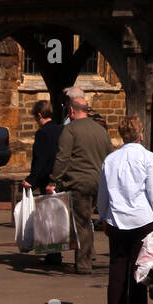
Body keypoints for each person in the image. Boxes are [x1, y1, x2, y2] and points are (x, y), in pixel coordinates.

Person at [97, 115, 153, 304]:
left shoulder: (111, 159)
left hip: (116, 218)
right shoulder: (148, 158)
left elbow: (103, 191)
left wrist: (102, 215)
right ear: (141, 134)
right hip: (142, 218)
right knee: (141, 264)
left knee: (117, 262)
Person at [46, 95, 112, 274]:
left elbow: (62, 157)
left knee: (81, 223)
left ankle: (83, 264)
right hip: (98, 183)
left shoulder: (70, 130)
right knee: (86, 221)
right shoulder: (100, 130)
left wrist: (54, 181)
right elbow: (109, 156)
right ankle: (88, 255)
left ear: (72, 111)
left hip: (78, 182)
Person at [24, 100, 63, 267]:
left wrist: (31, 180)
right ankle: (57, 252)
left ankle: (52, 254)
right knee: (58, 216)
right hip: (59, 177)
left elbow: (41, 160)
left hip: (46, 179)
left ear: (39, 115)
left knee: (47, 218)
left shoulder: (42, 134)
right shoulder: (61, 130)